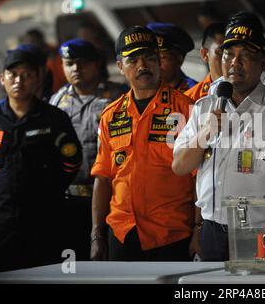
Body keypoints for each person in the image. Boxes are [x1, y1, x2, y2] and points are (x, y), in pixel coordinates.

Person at [172, 13, 265, 261]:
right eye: (229, 55)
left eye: (246, 56)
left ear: (263, 64)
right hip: (212, 230)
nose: (235, 62)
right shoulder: (205, 107)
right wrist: (205, 133)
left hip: (263, 229)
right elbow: (179, 166)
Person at [90, 26, 196, 262]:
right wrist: (97, 234)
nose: (142, 66)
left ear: (159, 62)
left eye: (149, 58)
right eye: (133, 60)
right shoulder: (111, 115)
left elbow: (200, 175)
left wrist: (199, 229)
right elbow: (103, 177)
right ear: (120, 67)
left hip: (172, 232)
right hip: (122, 231)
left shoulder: (187, 109)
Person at [0, 48, 82, 272]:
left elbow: (72, 160)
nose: (19, 81)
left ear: (37, 79)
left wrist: (51, 189)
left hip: (45, 220)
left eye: (26, 75)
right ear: (2, 78)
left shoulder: (53, 118)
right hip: (1, 223)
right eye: (13, 75)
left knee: (47, 275)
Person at [49, 38, 123, 260]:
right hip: (70, 198)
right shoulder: (57, 100)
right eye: (69, 63)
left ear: (96, 63)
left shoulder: (117, 95)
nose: (76, 69)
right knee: (74, 261)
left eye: (82, 63)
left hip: (109, 198)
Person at [146, 22, 198, 93]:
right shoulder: (144, 91)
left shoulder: (194, 93)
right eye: (151, 58)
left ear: (178, 59)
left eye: (162, 58)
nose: (156, 64)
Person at [185, 22, 226, 101]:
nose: (231, 60)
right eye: (221, 53)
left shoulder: (251, 94)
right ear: (204, 54)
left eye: (232, 54)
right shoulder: (190, 100)